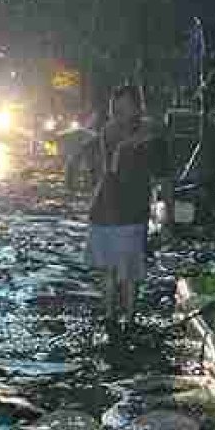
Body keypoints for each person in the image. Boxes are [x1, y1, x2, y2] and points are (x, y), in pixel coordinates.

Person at [86, 85, 156, 330]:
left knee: (129, 271)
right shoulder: (110, 131)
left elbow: (162, 175)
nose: (119, 113)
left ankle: (128, 319)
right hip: (106, 208)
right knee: (110, 269)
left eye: (125, 108)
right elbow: (108, 169)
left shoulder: (149, 134)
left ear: (137, 108)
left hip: (132, 212)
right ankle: (111, 315)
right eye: (116, 109)